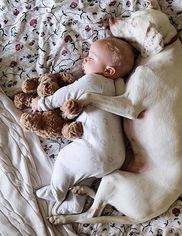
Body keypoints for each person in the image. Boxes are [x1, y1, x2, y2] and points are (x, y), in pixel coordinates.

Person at [33, 37, 135, 213]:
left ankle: (56, 192)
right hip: (117, 157)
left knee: (65, 159)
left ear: (109, 70)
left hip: (95, 150)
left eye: (92, 57)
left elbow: (65, 94)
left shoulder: (92, 81)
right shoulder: (116, 87)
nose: (85, 59)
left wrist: (41, 104)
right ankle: (75, 204)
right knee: (84, 175)